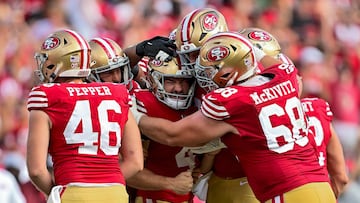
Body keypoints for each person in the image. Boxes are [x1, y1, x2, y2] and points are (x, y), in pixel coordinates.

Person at [132, 31, 336, 203]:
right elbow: (259, 57)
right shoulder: (285, 74)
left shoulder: (236, 101)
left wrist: (134, 115)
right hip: (319, 183)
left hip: (286, 191)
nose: (206, 77)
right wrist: (235, 44)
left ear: (233, 72)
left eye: (211, 71)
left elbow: (172, 135)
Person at [26, 29, 143, 203]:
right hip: (115, 193)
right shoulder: (118, 92)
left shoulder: (46, 95)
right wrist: (104, 181)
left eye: (47, 60)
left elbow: (36, 170)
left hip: (73, 192)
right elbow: (136, 162)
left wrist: (54, 192)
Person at [240, 27, 349, 198]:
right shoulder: (319, 107)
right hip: (322, 192)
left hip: (281, 191)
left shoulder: (254, 112)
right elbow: (341, 177)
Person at [126, 57, 199, 203]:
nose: (178, 88)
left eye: (184, 81)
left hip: (189, 193)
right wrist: (170, 183)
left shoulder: (200, 103)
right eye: (170, 81)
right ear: (154, 80)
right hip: (152, 195)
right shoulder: (140, 103)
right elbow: (126, 168)